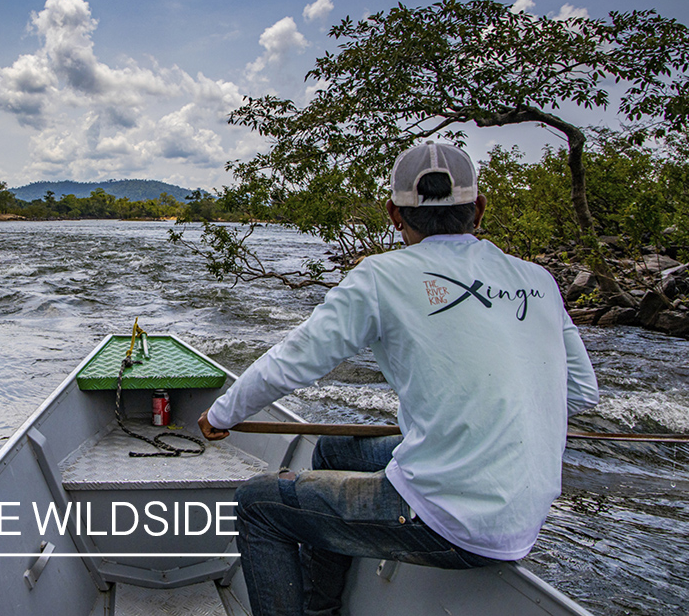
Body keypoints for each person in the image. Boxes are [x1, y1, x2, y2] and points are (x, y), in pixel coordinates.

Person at [197, 141, 599, 616]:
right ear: (479, 209)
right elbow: (580, 392)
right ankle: (319, 607)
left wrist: (219, 414)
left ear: (393, 214)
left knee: (257, 504)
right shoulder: (538, 280)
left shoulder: (381, 276)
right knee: (332, 451)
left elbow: (294, 360)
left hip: (449, 520)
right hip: (522, 518)